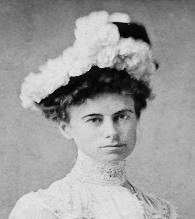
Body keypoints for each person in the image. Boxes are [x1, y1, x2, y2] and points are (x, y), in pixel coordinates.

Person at [8, 11, 177, 219]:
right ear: (65, 127)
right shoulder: (44, 208)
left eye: (122, 116)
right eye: (95, 120)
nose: (111, 132)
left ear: (136, 117)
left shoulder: (161, 212)